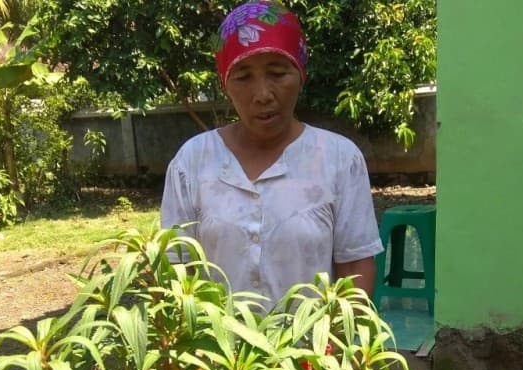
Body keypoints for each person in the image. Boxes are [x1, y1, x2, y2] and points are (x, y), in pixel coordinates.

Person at [161, 0, 382, 310]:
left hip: (312, 342)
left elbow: (355, 266)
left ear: (300, 75)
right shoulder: (193, 161)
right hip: (219, 343)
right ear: (226, 84)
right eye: (243, 77)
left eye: (277, 73)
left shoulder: (339, 159)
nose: (263, 94)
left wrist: (338, 334)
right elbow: (175, 268)